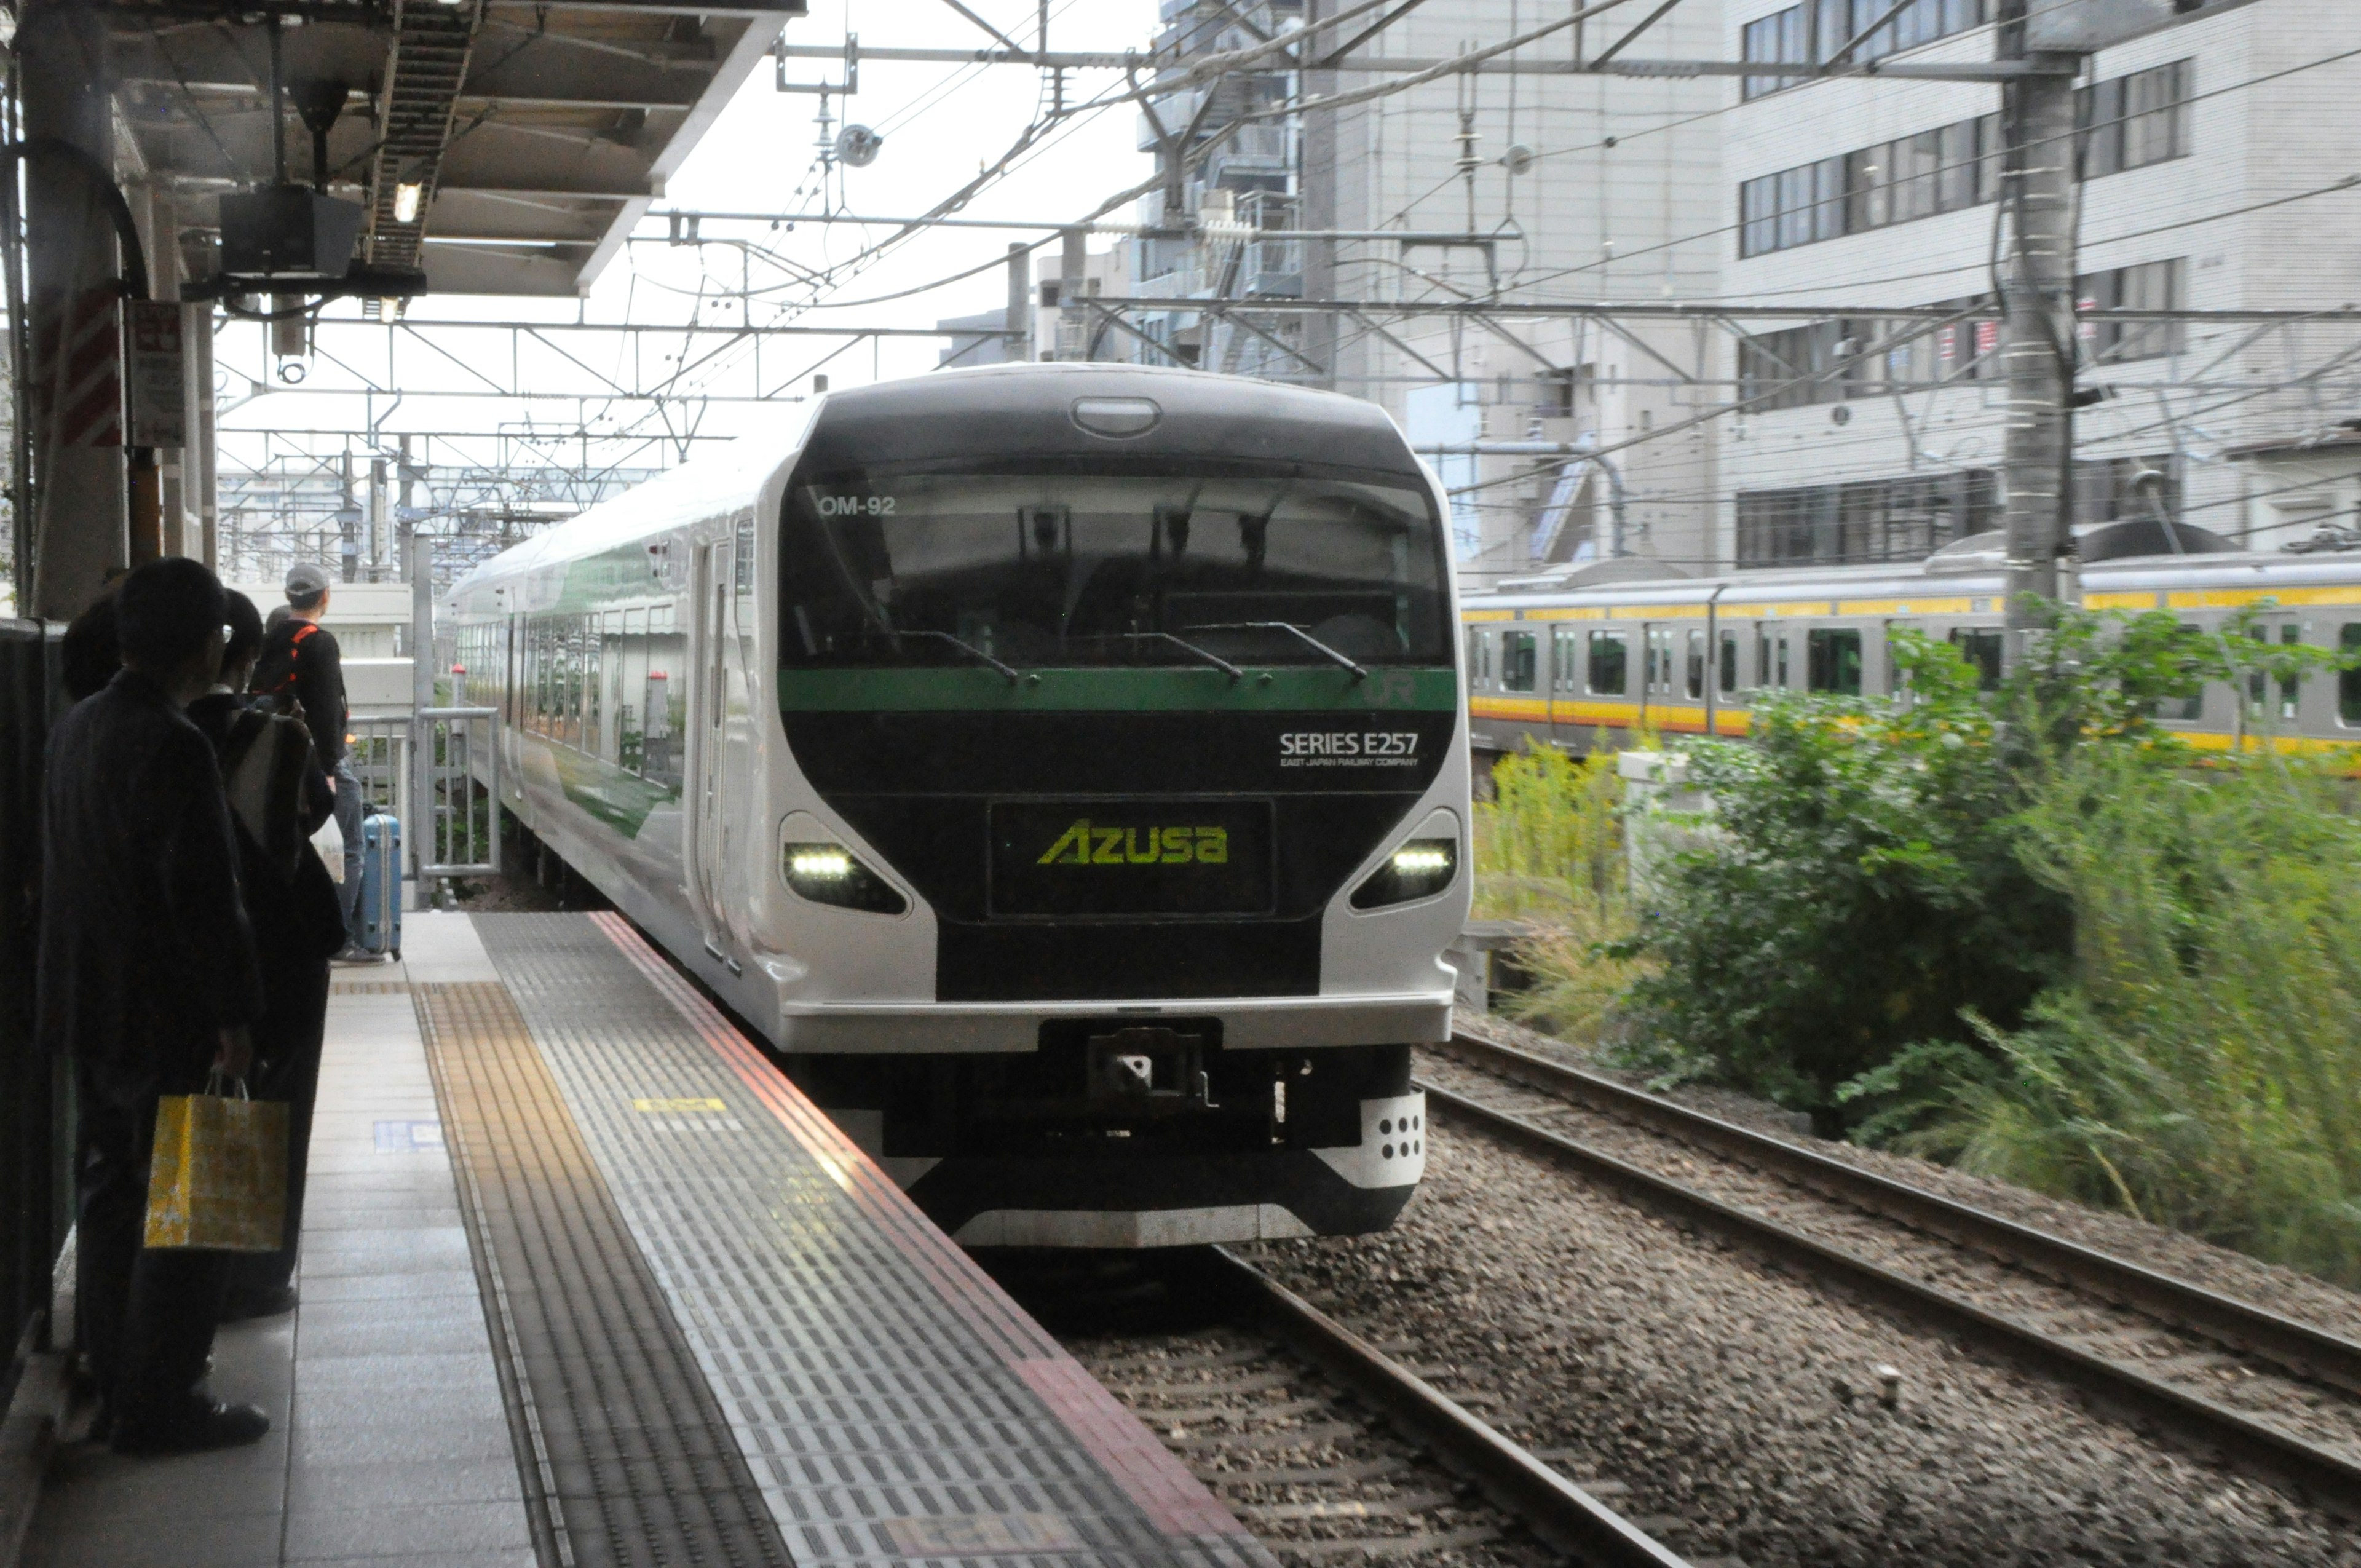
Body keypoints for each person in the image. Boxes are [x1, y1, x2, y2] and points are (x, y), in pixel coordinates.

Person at [36, 556, 271, 1455]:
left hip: (85, 1008)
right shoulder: (176, 744)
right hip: (162, 1013)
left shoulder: (78, 728)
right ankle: (165, 1396)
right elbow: (206, 900)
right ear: (207, 643)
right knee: (187, 1207)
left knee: (109, 1190)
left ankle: (109, 1368)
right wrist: (238, 1016)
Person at [188, 591, 344, 1321]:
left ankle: (187, 1275)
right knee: (271, 1113)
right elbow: (308, 813)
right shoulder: (265, 733)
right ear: (244, 655)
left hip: (170, 962)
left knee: (197, 1119)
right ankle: (251, 1278)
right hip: (276, 948)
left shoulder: (104, 729)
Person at [251, 563, 365, 957]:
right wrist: (331, 769)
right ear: (325, 596)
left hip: (276, 755)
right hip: (320, 763)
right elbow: (325, 708)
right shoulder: (320, 642)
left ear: (288, 597)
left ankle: (296, 933)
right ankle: (339, 938)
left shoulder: (270, 638)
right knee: (348, 849)